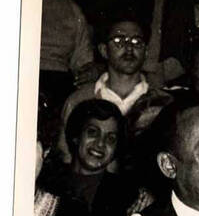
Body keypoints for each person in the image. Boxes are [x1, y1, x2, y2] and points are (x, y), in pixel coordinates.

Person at [57, 13, 172, 163]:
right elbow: (66, 157)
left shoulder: (162, 103)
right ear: (104, 50)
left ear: (146, 52)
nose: (129, 47)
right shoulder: (79, 100)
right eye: (119, 40)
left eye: (137, 41)